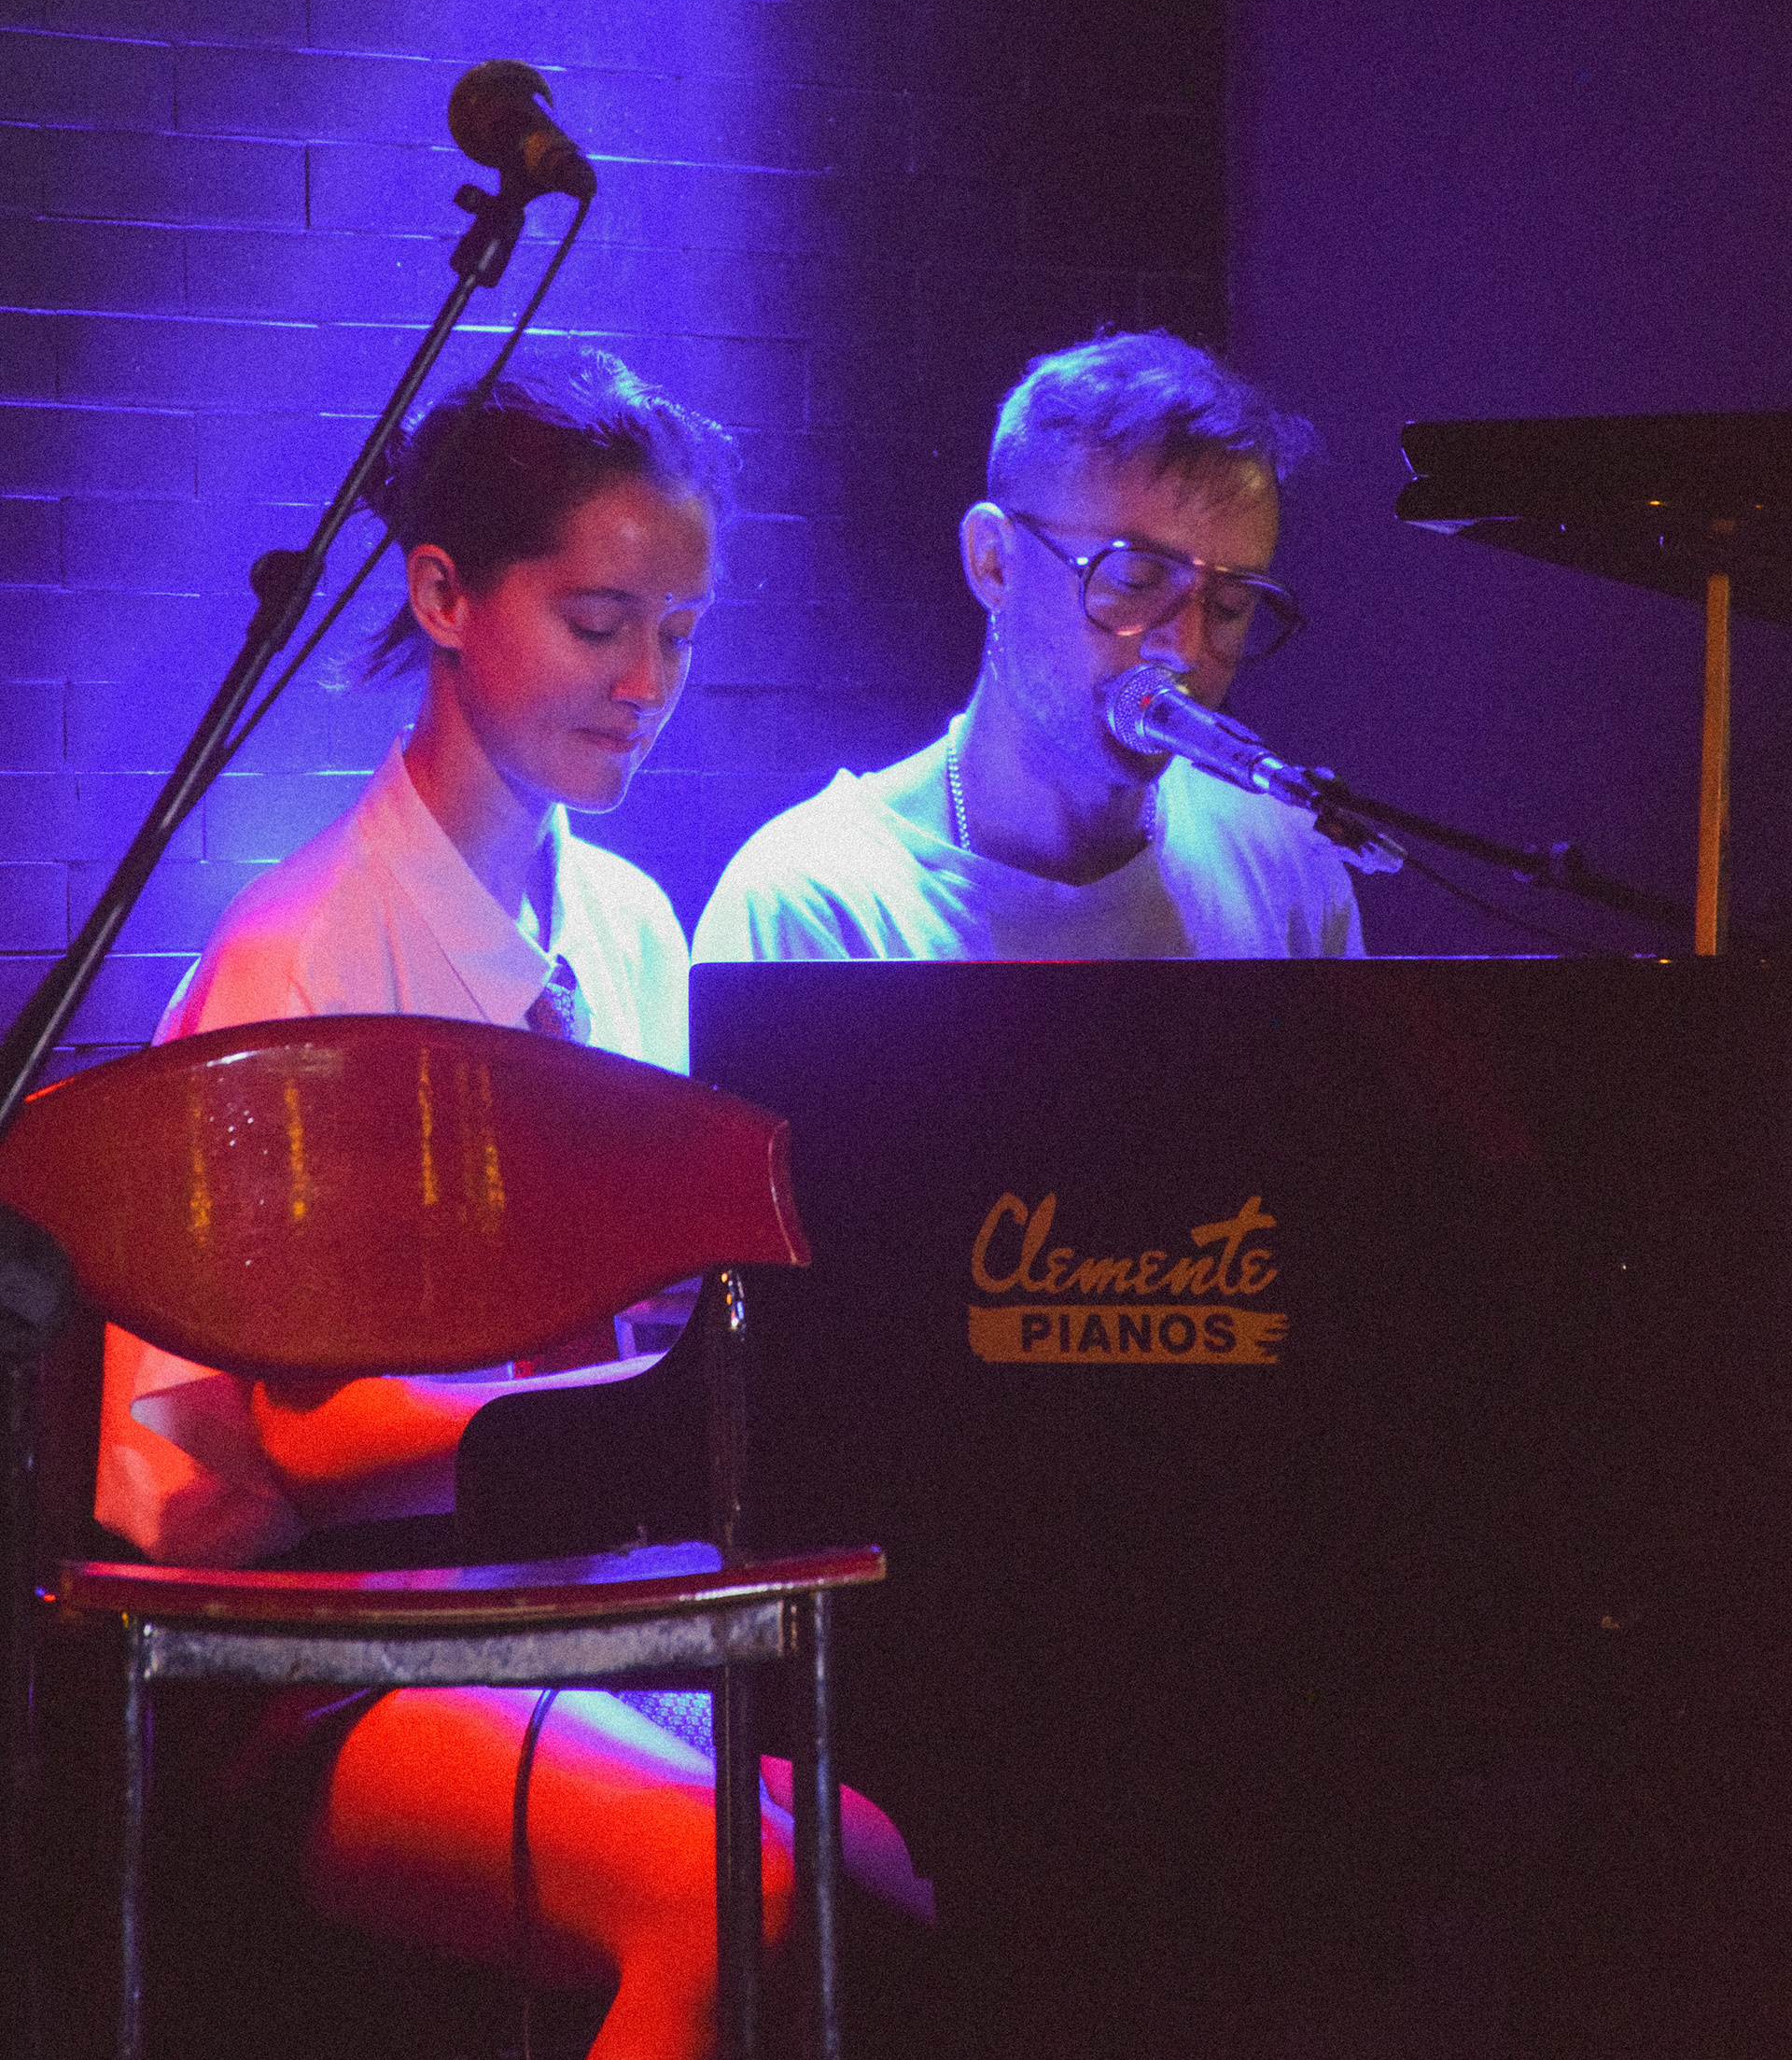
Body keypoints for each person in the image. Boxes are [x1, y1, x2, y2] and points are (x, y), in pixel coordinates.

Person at [93, 363, 924, 2060]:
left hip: (557, 1612)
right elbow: (315, 1442)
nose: (647, 684)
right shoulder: (306, 953)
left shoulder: (629, 928)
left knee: (881, 1869)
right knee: (737, 1896)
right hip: (304, 1650)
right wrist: (637, 1401)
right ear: (443, 593)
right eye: (600, 624)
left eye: (678, 634)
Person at [693, 330, 1365, 964]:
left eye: (1231, 604)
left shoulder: (1289, 867)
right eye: (1135, 580)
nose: (1184, 649)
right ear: (993, 561)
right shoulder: (814, 901)